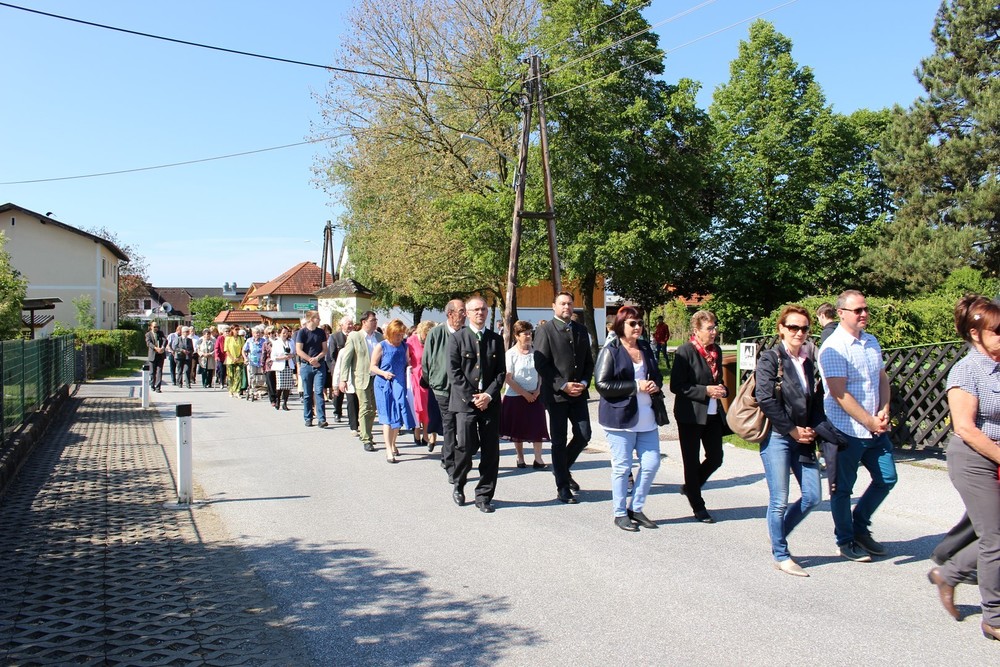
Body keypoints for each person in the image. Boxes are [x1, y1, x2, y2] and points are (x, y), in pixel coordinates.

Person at [927, 295, 1000, 637]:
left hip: (994, 454)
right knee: (995, 537)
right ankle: (994, 618)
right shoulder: (967, 371)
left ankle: (949, 573)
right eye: (997, 331)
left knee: (995, 535)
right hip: (973, 460)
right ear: (975, 333)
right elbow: (966, 428)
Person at [754, 305, 840, 576]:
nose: (799, 333)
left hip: (803, 437)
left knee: (813, 496)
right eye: (793, 327)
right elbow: (765, 398)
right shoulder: (771, 358)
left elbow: (813, 401)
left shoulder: (808, 360)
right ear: (781, 329)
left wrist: (814, 429)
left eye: (804, 328)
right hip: (778, 436)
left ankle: (777, 534)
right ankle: (781, 554)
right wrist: (791, 429)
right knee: (779, 499)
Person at [818, 289, 897, 562]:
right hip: (846, 431)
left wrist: (884, 410)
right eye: (858, 310)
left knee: (887, 478)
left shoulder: (871, 341)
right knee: (842, 489)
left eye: (865, 309)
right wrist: (869, 420)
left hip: (874, 428)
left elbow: (881, 377)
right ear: (841, 313)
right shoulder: (833, 348)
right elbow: (839, 393)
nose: (864, 314)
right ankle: (846, 540)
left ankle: (860, 527)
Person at [595, 307, 664, 532]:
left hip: (647, 416)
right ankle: (619, 513)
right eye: (632, 323)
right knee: (622, 468)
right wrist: (635, 386)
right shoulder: (611, 350)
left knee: (652, 463)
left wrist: (655, 384)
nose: (637, 327)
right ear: (621, 325)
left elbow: (657, 375)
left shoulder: (645, 347)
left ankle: (636, 507)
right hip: (620, 418)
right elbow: (602, 384)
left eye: (640, 323)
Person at [534, 291, 594, 504]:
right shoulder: (545, 330)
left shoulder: (581, 330)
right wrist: (563, 385)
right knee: (559, 440)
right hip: (557, 395)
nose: (566, 307)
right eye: (562, 304)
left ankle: (561, 468)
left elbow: (588, 361)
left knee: (584, 435)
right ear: (554, 306)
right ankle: (562, 486)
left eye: (569, 303)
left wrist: (584, 382)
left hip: (578, 393)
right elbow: (541, 364)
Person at [448, 296, 506, 514]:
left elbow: (500, 372)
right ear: (467, 313)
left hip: (489, 403)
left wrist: (488, 395)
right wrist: (473, 397)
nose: (480, 313)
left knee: (491, 451)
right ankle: (459, 483)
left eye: (483, 309)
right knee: (465, 447)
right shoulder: (457, 338)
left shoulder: (495, 339)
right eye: (475, 310)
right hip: (465, 404)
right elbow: (454, 372)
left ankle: (484, 495)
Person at [670, 310, 728, 524]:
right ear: (696, 330)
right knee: (691, 461)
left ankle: (691, 486)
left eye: (715, 327)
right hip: (690, 415)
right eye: (709, 328)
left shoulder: (716, 351)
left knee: (716, 457)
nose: (714, 332)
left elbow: (717, 379)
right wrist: (705, 391)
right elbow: (677, 386)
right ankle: (698, 505)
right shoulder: (685, 351)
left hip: (713, 414)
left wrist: (722, 389)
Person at [422, 299, 467, 480]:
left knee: (460, 426)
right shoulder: (436, 333)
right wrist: (433, 382)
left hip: (462, 388)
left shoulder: (466, 333)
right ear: (450, 314)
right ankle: (451, 465)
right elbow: (426, 361)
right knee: (449, 425)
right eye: (461, 311)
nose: (465, 314)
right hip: (442, 388)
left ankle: (446, 454)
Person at [499, 320, 549, 470]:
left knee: (538, 427)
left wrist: (538, 390)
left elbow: (542, 374)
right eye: (525, 334)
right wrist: (524, 393)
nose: (528, 336)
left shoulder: (536, 352)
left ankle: (538, 459)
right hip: (516, 396)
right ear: (517, 336)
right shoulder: (511, 354)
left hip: (535, 395)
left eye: (529, 333)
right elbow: (508, 378)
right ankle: (520, 457)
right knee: (518, 429)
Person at [371, 319, 416, 463]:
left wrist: (409, 368)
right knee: (387, 417)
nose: (400, 337)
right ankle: (388, 450)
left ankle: (393, 443)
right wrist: (384, 373)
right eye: (397, 335)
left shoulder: (404, 346)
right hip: (383, 384)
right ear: (390, 333)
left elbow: (407, 363)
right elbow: (372, 366)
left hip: (399, 384)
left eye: (402, 335)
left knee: (398, 415)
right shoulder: (381, 346)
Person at [339, 311, 382, 451]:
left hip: (377, 378)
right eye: (372, 320)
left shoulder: (379, 337)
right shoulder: (355, 336)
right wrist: (343, 379)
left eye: (376, 320)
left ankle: (367, 432)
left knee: (373, 408)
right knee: (365, 406)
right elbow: (346, 359)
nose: (375, 322)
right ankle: (366, 438)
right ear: (364, 322)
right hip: (361, 378)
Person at [407, 320, 442, 451]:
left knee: (429, 406)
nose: (427, 337)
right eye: (426, 334)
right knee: (418, 406)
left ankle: (428, 435)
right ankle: (417, 431)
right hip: (416, 377)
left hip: (431, 376)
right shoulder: (411, 341)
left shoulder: (434, 340)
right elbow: (406, 359)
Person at [296, 311, 329, 428]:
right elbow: (299, 350)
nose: (319, 320)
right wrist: (310, 359)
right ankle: (308, 417)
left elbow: (325, 349)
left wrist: (317, 358)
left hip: (319, 365)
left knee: (319, 391)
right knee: (307, 393)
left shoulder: (321, 332)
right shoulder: (302, 332)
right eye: (317, 318)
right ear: (311, 319)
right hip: (306, 366)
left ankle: (321, 419)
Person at [330, 317, 354, 423]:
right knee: (338, 393)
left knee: (351, 394)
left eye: (351, 324)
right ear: (342, 325)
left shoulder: (355, 335)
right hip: (339, 367)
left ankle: (352, 415)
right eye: (348, 324)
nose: (350, 326)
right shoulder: (335, 337)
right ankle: (337, 412)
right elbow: (332, 355)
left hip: (352, 369)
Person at [269, 325, 295, 410]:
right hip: (280, 366)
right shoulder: (276, 343)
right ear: (279, 333)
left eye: (287, 333)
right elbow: (273, 357)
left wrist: (291, 356)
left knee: (287, 386)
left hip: (289, 365)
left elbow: (295, 353)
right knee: (280, 386)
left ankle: (285, 403)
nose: (285, 335)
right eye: (283, 333)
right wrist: (282, 358)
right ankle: (278, 401)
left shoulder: (290, 342)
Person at [145, 321, 166, 393]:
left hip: (160, 355)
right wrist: (155, 348)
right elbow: (149, 343)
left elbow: (164, 340)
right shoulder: (148, 334)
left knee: (159, 371)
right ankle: (152, 385)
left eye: (157, 327)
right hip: (153, 355)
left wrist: (162, 347)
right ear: (151, 327)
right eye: (154, 327)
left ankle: (158, 387)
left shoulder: (160, 333)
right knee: (152, 372)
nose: (156, 328)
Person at [223, 325, 245, 397]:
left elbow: (243, 349)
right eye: (236, 329)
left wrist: (239, 357)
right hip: (230, 360)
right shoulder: (228, 338)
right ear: (232, 330)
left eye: (238, 329)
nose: (237, 331)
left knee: (238, 375)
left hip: (239, 359)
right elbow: (226, 350)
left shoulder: (241, 338)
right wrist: (232, 358)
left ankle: (237, 391)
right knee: (230, 376)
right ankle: (231, 390)